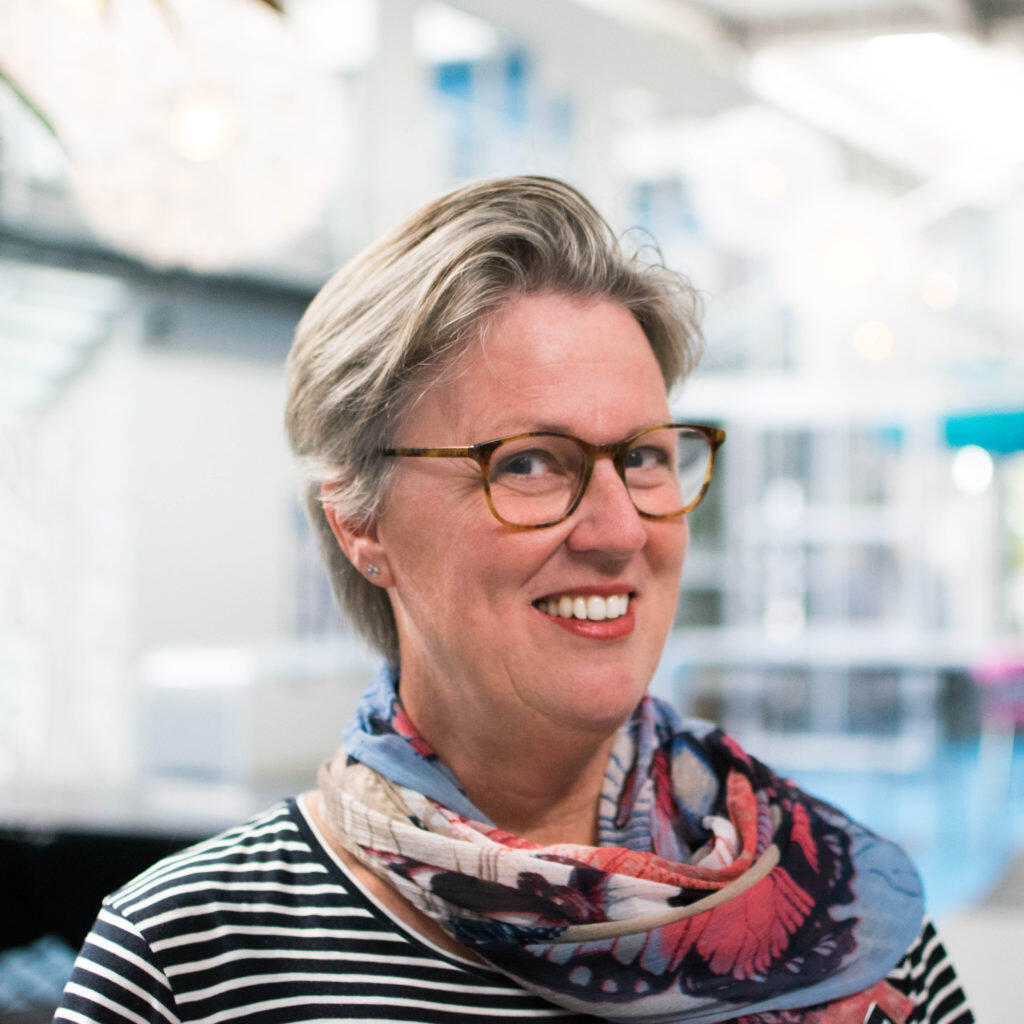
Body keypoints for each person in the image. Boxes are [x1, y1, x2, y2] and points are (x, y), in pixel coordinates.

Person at [56, 177, 973, 1024]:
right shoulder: (189, 962)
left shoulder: (847, 916)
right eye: (530, 462)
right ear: (360, 524)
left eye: (644, 457)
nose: (619, 529)